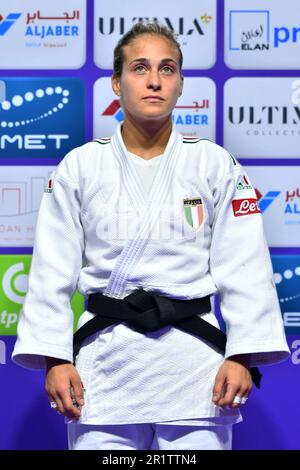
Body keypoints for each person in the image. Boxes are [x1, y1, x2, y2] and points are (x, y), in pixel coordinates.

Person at [12, 22, 290, 451]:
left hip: (195, 365)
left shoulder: (215, 164)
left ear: (181, 85)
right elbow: (51, 271)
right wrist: (55, 358)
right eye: (140, 68)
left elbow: (246, 266)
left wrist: (241, 354)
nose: (155, 80)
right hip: (104, 366)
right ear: (116, 84)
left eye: (168, 68)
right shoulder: (80, 167)